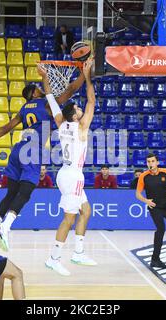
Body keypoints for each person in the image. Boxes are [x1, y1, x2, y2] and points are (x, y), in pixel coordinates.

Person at [0, 64, 85, 252]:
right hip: (32, 149)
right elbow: (71, 89)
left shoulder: (24, 109)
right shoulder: (46, 104)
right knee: (26, 192)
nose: (39, 88)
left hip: (18, 149)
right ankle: (4, 229)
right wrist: (84, 75)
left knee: (11, 193)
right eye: (36, 88)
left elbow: (6, 127)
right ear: (33, 94)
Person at [40, 57, 97, 276]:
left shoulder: (61, 123)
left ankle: (79, 252)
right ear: (75, 115)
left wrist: (46, 78)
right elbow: (91, 101)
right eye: (79, 108)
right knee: (69, 218)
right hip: (72, 176)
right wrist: (88, 75)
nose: (83, 109)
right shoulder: (81, 126)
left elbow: (51, 101)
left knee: (86, 210)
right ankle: (54, 258)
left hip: (68, 173)